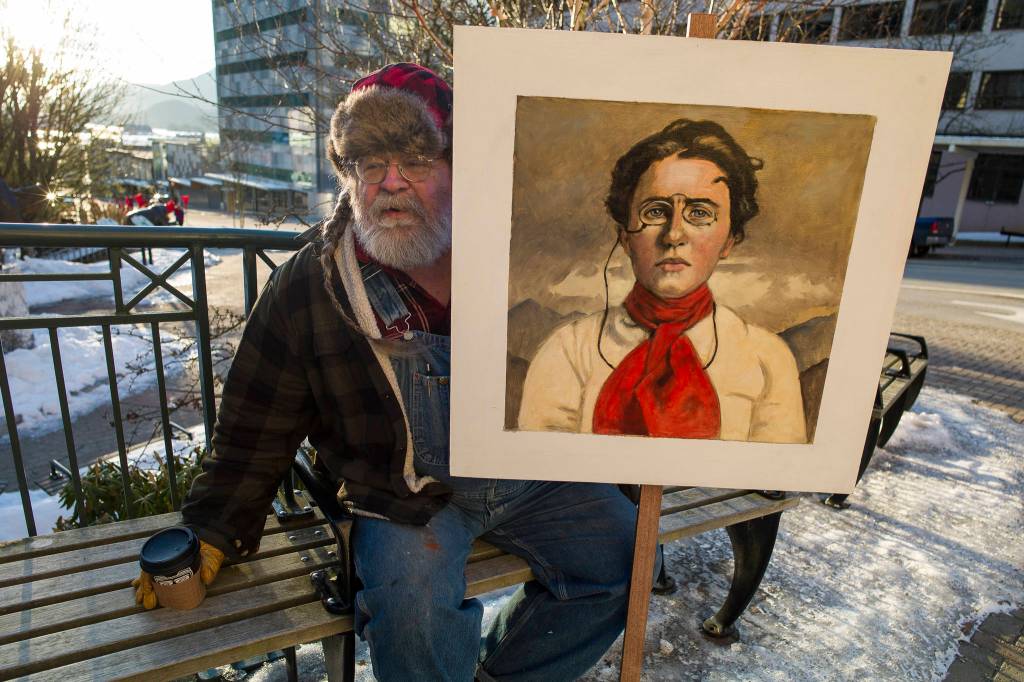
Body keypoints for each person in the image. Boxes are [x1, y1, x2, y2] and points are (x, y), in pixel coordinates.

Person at [132, 63, 641, 682]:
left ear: (458, 167)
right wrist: (214, 525)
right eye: (370, 164)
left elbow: (596, 357)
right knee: (410, 612)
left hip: (531, 476)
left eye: (417, 161)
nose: (391, 182)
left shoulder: (517, 256)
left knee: (630, 560)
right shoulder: (312, 286)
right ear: (349, 177)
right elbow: (254, 420)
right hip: (404, 500)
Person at [518, 119, 806, 444]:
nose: (673, 235)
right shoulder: (569, 351)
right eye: (655, 211)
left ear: (729, 240)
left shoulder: (767, 360)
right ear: (625, 237)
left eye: (700, 213)